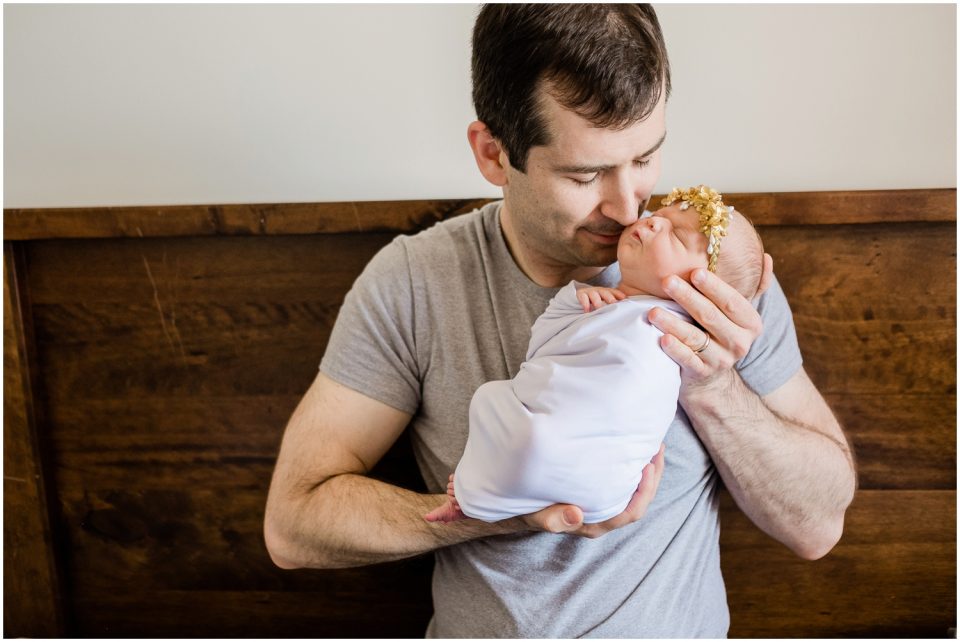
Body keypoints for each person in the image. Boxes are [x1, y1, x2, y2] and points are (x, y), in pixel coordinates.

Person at [264, 5, 856, 637]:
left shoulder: (714, 280)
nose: (631, 206)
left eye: (646, 157)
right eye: (587, 173)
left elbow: (817, 526)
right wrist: (502, 512)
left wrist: (713, 385)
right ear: (493, 154)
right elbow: (294, 525)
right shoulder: (416, 280)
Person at [424, 188, 765, 524]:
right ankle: (480, 497)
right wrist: (576, 300)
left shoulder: (694, 333)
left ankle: (475, 496)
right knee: (505, 409)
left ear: (707, 290)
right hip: (600, 492)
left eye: (676, 235)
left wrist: (716, 377)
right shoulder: (603, 304)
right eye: (660, 215)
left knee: (491, 400)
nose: (651, 222)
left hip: (602, 473)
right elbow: (543, 351)